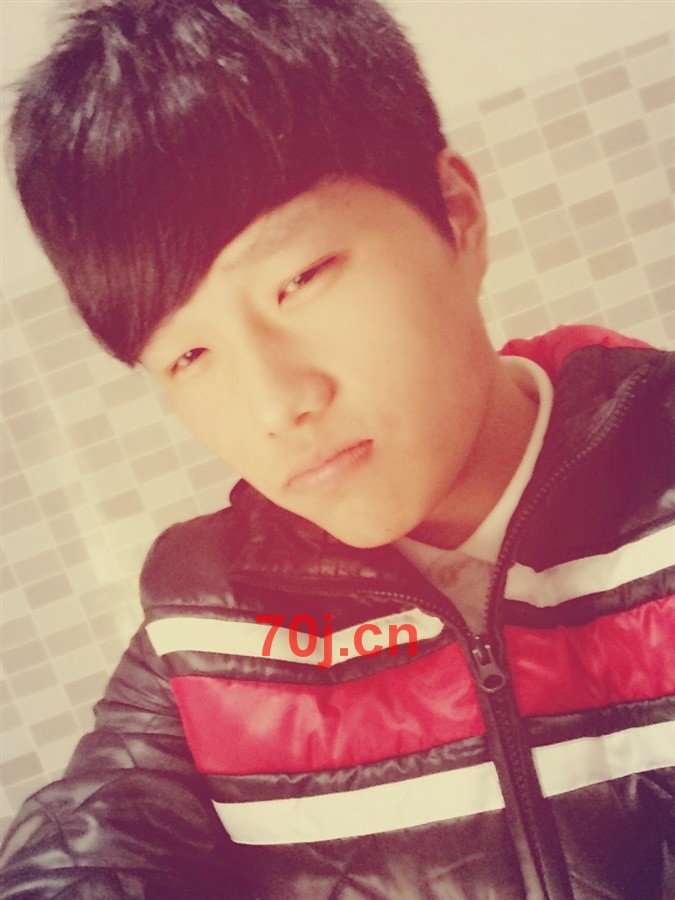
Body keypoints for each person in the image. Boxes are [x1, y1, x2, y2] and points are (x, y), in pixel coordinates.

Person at [1, 0, 673, 896]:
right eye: (188, 355)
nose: (277, 405)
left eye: (300, 279)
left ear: (456, 214)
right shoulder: (203, 639)